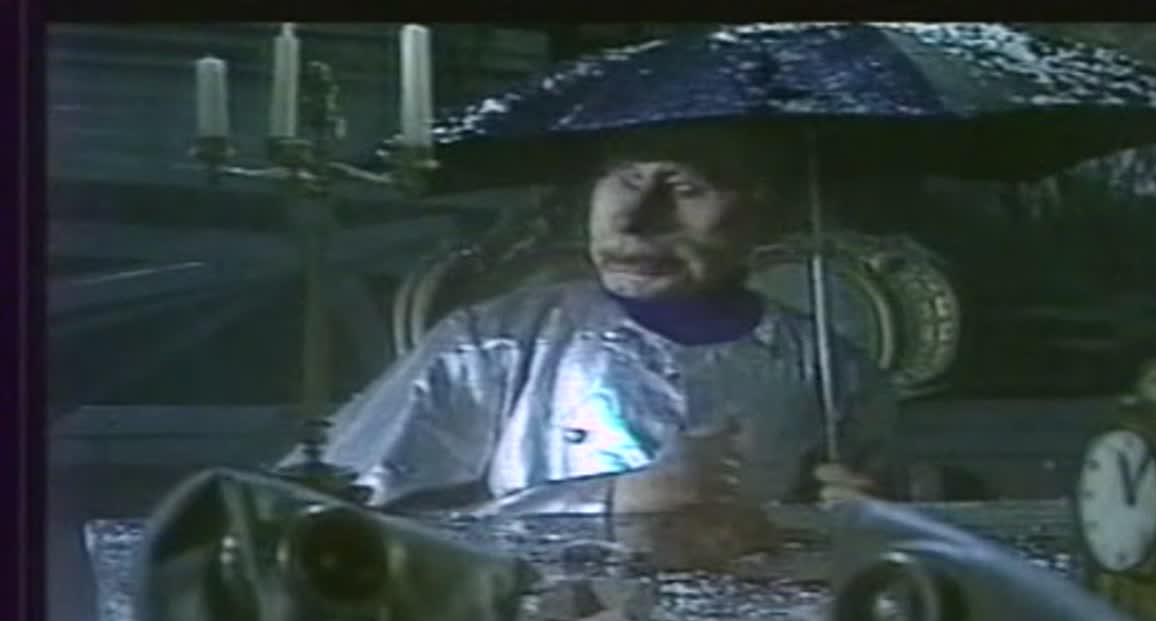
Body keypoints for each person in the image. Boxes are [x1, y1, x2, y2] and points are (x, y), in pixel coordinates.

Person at [285, 126, 899, 558]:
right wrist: (610, 500)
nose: (634, 219)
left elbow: (870, 543)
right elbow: (327, 525)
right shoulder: (491, 345)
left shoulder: (835, 372)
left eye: (687, 188)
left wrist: (863, 520)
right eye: (626, 179)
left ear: (769, 214)